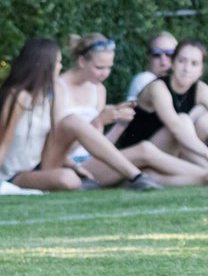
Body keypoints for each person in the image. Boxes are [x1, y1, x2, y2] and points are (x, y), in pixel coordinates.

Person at [0, 37, 162, 196]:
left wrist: (73, 165)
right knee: (68, 178)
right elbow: (1, 148)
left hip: (41, 165)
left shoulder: (47, 95)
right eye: (57, 62)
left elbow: (49, 140)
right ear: (42, 65)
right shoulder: (17, 98)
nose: (61, 66)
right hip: (13, 175)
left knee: (72, 124)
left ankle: (136, 177)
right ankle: (132, 178)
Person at [59, 34, 206, 187]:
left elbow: (99, 143)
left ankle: (203, 177)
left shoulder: (98, 89)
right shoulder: (59, 88)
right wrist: (99, 121)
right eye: (99, 67)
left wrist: (119, 125)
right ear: (82, 61)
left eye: (109, 67)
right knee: (147, 149)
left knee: (151, 170)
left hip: (105, 160)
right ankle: (204, 174)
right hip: (74, 165)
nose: (105, 73)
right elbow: (55, 144)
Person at [114, 39, 208, 167]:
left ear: (201, 70)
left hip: (170, 152)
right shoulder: (158, 87)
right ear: (173, 63)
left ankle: (199, 169)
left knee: (204, 118)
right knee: (184, 120)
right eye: (182, 61)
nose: (187, 68)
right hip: (139, 152)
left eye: (194, 63)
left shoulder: (200, 89)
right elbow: (177, 129)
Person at [126, 31, 178, 101]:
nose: (163, 62)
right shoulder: (144, 79)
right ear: (148, 57)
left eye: (170, 54)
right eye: (156, 54)